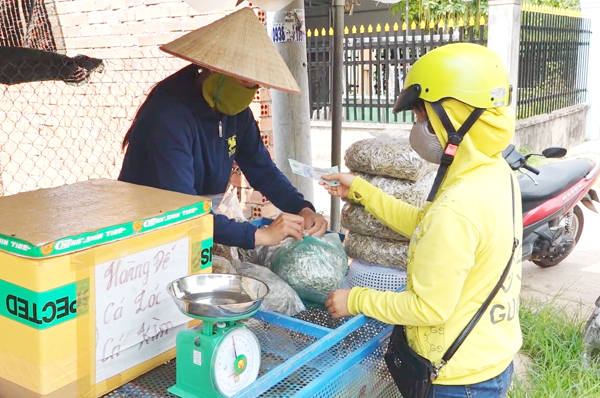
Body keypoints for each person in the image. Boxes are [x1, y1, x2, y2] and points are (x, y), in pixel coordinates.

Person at [321, 43, 523, 398]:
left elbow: (426, 308)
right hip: (489, 358)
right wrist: (361, 190)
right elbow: (425, 223)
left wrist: (355, 299)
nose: (417, 129)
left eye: (421, 118)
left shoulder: (456, 207)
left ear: (454, 119)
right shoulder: (495, 173)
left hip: (458, 380)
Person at [118, 7, 327, 249]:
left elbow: (262, 170)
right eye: (245, 80)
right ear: (215, 69)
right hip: (146, 231)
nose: (251, 91)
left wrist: (302, 208)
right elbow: (183, 209)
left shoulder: (237, 114)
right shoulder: (168, 117)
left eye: (255, 83)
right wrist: (260, 236)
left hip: (197, 227)